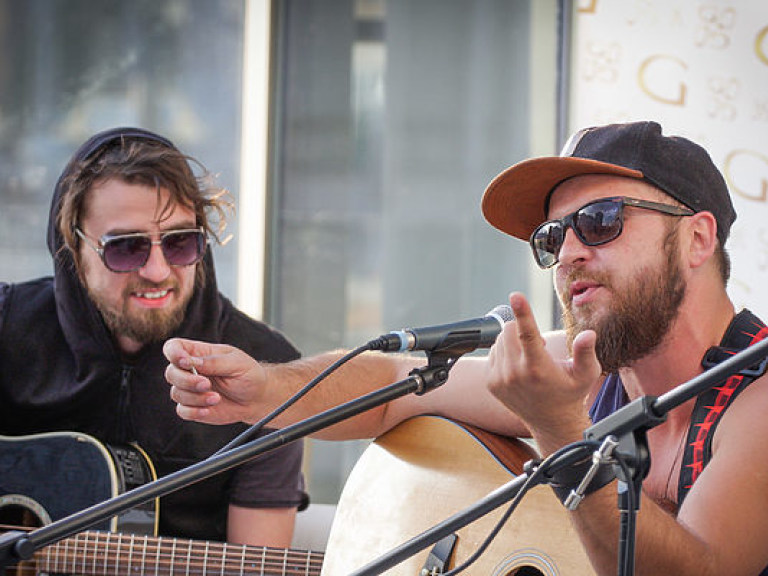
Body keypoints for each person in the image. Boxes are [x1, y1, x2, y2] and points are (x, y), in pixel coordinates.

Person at [164, 121, 768, 575]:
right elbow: (395, 387)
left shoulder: (758, 395)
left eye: (602, 220)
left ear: (696, 236)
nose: (570, 253)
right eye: (551, 236)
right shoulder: (584, 369)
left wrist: (561, 433)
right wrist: (264, 390)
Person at [0, 127, 308, 548]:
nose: (158, 271)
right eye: (126, 247)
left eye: (181, 242)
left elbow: (258, 563)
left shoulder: (266, 373)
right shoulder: (7, 327)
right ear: (73, 246)